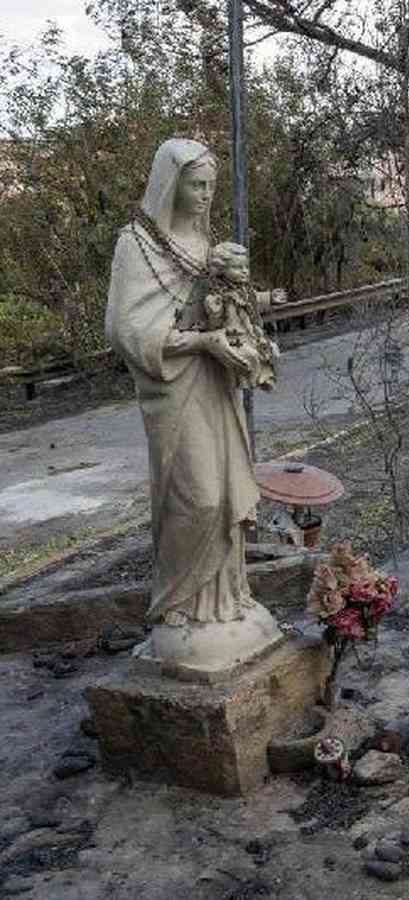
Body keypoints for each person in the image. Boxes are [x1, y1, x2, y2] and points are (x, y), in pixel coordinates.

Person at [105, 138, 284, 633]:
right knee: (198, 497)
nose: (207, 195)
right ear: (170, 186)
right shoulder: (135, 244)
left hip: (214, 385)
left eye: (211, 186)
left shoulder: (206, 247)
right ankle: (177, 601)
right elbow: (125, 329)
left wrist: (246, 300)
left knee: (228, 495)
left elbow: (220, 306)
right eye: (197, 185)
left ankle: (226, 602)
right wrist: (204, 342)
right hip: (173, 390)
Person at [202, 242, 279, 391]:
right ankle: (249, 380)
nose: (244, 271)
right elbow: (215, 323)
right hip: (233, 335)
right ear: (222, 270)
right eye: (238, 268)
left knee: (270, 349)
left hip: (249, 330)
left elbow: (255, 298)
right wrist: (215, 311)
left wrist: (270, 297)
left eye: (246, 267)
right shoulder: (217, 294)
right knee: (249, 355)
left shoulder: (245, 290)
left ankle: (265, 377)